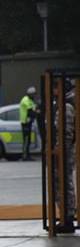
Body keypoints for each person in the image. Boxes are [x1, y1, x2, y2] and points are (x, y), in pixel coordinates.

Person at [53, 80, 76, 234]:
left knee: (63, 182)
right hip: (63, 151)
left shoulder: (66, 106)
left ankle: (67, 216)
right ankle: (66, 215)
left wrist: (59, 151)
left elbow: (66, 133)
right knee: (62, 182)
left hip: (64, 152)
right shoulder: (63, 104)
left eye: (55, 87)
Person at [19, 86, 39, 161]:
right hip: (25, 122)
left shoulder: (30, 100)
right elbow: (30, 111)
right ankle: (25, 155)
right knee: (26, 139)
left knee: (28, 139)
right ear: (30, 94)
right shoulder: (26, 100)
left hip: (29, 122)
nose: (34, 95)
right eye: (33, 94)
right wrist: (37, 113)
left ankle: (27, 155)